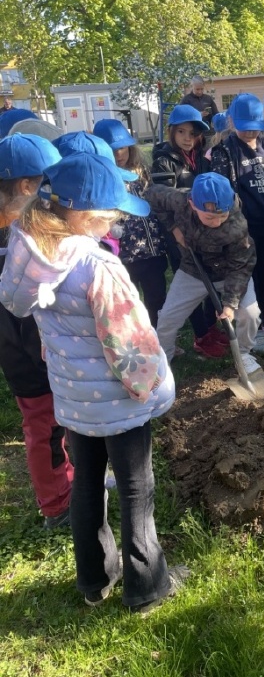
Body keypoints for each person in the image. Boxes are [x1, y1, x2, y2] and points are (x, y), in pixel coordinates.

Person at [0, 153, 187, 612]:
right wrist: (156, 388)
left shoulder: (34, 255)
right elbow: (130, 344)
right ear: (85, 216)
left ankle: (94, 579)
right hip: (119, 401)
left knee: (85, 484)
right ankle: (147, 586)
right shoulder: (98, 266)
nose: (115, 224)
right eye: (110, 216)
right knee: (137, 489)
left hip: (73, 398)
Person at [0, 134, 74, 529]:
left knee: (62, 420)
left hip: (40, 341)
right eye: (46, 185)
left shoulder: (20, 223)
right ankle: (57, 504)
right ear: (26, 186)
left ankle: (73, 480)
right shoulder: (13, 236)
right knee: (44, 425)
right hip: (22, 349)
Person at [145, 172, 260, 374]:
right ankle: (162, 363)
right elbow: (152, 195)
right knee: (167, 319)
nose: (217, 222)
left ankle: (243, 354)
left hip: (229, 273)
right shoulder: (179, 200)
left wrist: (230, 304)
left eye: (222, 216)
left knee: (250, 314)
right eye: (210, 217)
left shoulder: (237, 226)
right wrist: (173, 227)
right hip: (193, 270)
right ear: (192, 204)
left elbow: (241, 267)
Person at [209, 94, 264, 351]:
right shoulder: (224, 151)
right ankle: (255, 329)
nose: (250, 132)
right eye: (245, 127)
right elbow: (223, 193)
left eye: (255, 126)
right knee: (250, 277)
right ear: (232, 122)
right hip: (245, 228)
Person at [152, 104, 222, 357]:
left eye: (192, 133)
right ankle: (200, 335)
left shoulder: (202, 158)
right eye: (181, 132)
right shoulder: (163, 161)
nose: (187, 138)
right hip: (179, 234)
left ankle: (210, 327)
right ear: (171, 132)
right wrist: (173, 229)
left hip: (202, 229)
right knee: (190, 281)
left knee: (208, 277)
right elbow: (159, 202)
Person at [92, 119, 168, 328]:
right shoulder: (101, 177)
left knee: (157, 298)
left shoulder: (141, 170)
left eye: (123, 147)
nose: (119, 154)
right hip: (125, 254)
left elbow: (153, 200)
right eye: (112, 150)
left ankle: (158, 336)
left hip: (152, 250)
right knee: (127, 302)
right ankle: (135, 338)